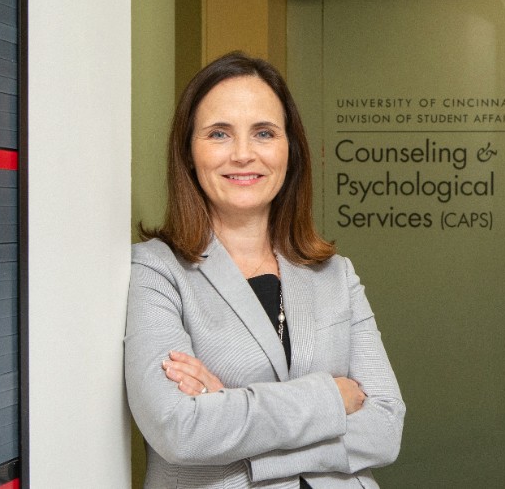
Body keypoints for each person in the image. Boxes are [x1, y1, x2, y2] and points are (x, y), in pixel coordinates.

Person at [125, 52, 404, 489]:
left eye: (264, 133)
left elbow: (386, 429)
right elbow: (180, 429)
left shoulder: (335, 274)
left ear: (289, 150)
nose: (242, 154)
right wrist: (332, 397)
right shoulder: (156, 270)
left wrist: (228, 409)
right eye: (218, 133)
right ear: (189, 151)